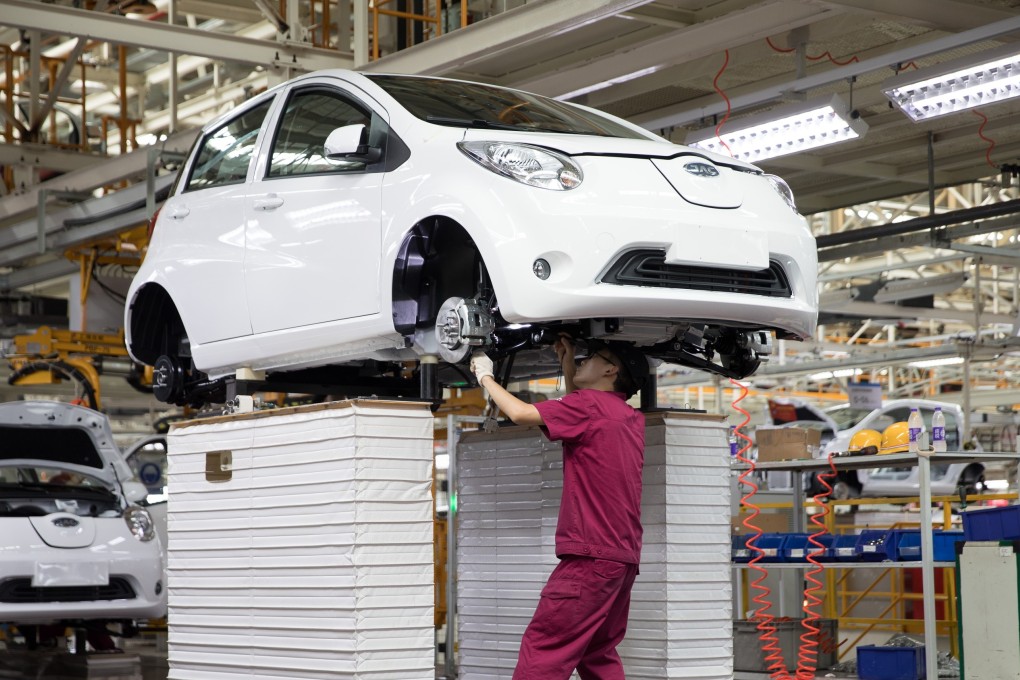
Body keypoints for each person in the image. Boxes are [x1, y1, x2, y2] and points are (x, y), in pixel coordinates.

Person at [470, 335, 649, 680]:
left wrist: (485, 376)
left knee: (545, 649)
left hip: (590, 558)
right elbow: (579, 412)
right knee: (598, 652)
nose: (583, 359)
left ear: (611, 369)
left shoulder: (589, 407)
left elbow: (521, 413)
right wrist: (567, 365)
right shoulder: (628, 417)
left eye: (591, 356)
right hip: (621, 560)